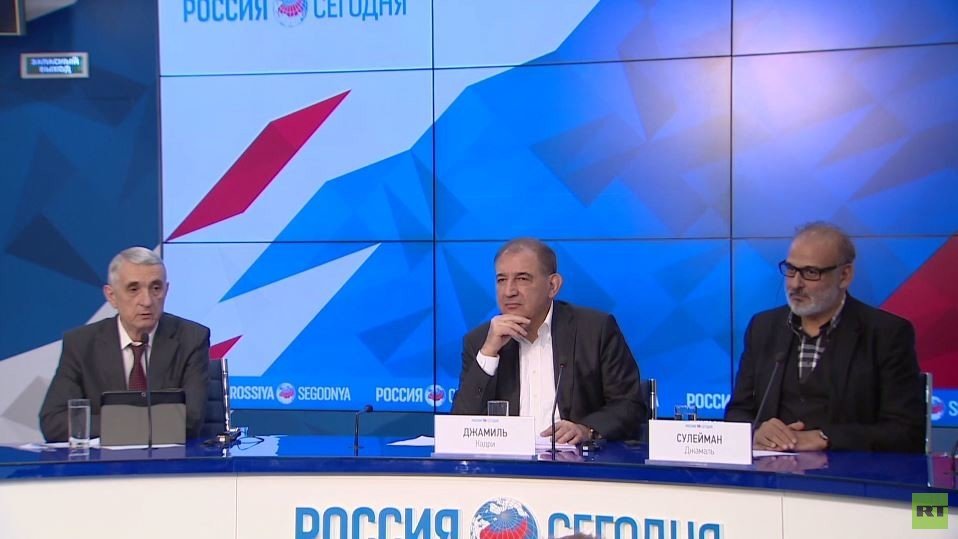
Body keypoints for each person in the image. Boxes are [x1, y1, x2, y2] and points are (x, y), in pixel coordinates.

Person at [726, 222, 924, 453]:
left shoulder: (886, 333)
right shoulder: (763, 327)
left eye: (811, 273)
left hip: (850, 472)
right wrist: (757, 431)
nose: (795, 284)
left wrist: (825, 438)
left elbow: (907, 431)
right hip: (771, 471)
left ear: (844, 275)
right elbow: (737, 413)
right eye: (791, 269)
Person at [452, 238, 645, 443]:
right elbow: (459, 425)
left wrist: (586, 430)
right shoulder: (480, 341)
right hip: (505, 460)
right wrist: (488, 353)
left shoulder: (595, 330)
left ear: (553, 286)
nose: (509, 291)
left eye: (522, 279)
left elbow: (629, 405)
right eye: (501, 280)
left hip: (575, 459)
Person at [39, 247, 210, 441]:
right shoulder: (81, 344)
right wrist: (136, 424)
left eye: (156, 288)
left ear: (166, 290)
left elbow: (190, 420)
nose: (147, 301)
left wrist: (110, 423)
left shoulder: (191, 339)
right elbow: (53, 422)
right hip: (103, 460)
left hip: (166, 459)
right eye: (133, 289)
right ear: (111, 296)